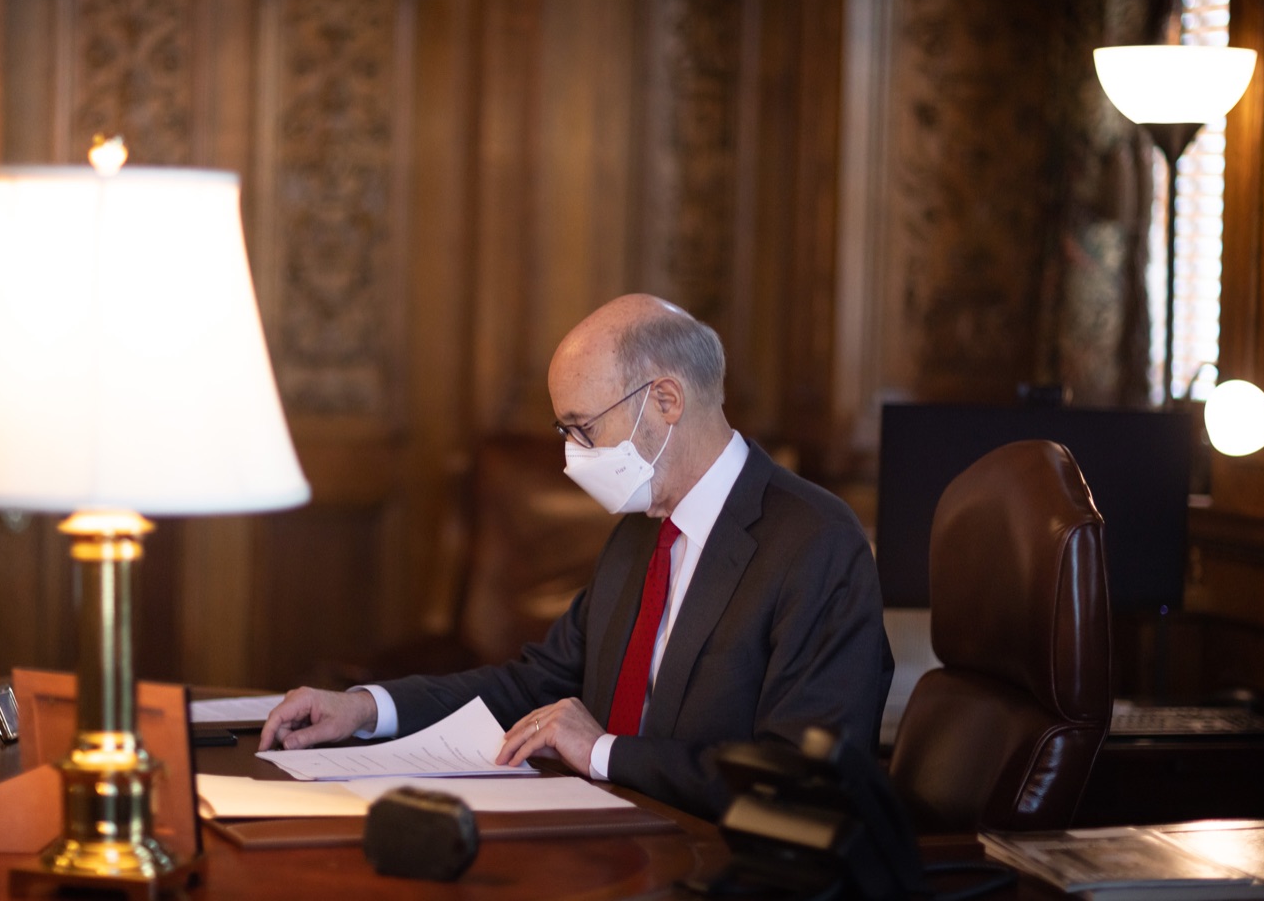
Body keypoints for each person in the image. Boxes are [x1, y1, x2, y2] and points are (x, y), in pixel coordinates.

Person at [260, 293, 893, 818]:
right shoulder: (639, 534)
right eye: (565, 432)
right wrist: (366, 707)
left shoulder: (815, 542)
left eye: (584, 428)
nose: (573, 457)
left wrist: (602, 752)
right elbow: (535, 684)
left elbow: (803, 785)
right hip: (605, 840)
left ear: (666, 401)